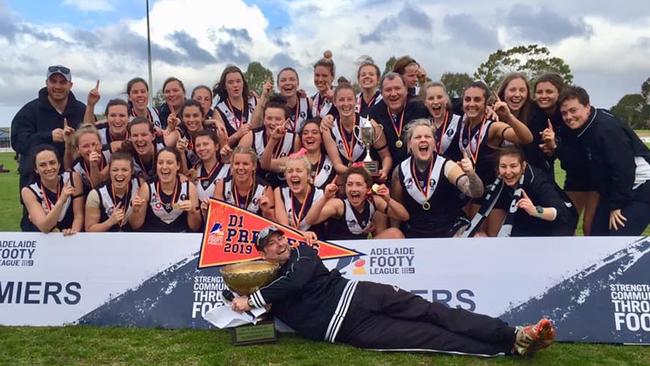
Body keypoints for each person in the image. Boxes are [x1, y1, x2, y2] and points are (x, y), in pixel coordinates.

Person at [231, 225, 556, 357]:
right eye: (270, 245)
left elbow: (296, 283)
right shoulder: (267, 287)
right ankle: (513, 347)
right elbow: (250, 317)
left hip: (360, 295)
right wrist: (240, 301)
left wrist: (255, 299)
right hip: (351, 329)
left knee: (435, 312)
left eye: (279, 238)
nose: (279, 244)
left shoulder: (304, 252)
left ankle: (513, 331)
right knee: (431, 339)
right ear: (262, 254)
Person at [559, 86, 650, 236]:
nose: (568, 116)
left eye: (573, 110)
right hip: (615, 190)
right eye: (564, 113)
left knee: (615, 237)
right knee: (596, 235)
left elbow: (624, 169)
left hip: (641, 186)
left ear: (587, 106)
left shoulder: (606, 129)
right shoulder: (584, 127)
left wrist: (616, 206)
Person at [459, 81, 533, 236]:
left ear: (487, 104)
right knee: (472, 240)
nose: (471, 104)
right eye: (468, 99)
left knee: (493, 244)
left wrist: (509, 117)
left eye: (477, 100)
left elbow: (526, 138)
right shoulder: (461, 124)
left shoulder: (493, 127)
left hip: (492, 196)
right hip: (469, 192)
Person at [391, 120, 483, 238]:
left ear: (434, 142)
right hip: (415, 230)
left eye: (428, 136)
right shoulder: (400, 171)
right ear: (409, 143)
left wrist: (471, 174)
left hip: (449, 227)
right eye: (418, 137)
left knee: (477, 237)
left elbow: (475, 192)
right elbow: (396, 209)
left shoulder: (447, 165)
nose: (423, 140)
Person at [533, 73, 598, 236]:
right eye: (539, 92)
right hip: (573, 177)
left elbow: (577, 150)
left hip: (595, 176)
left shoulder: (571, 117)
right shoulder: (536, 114)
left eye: (549, 91)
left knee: (590, 226)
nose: (543, 96)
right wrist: (551, 150)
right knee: (566, 223)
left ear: (559, 93)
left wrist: (556, 146)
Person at [464, 147, 578, 237]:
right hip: (526, 219)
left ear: (523, 166)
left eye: (513, 166)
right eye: (503, 166)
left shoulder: (537, 181)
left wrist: (535, 210)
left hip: (559, 221)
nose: (508, 172)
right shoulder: (498, 183)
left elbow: (560, 212)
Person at [12, 65, 86, 189]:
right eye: (53, 81)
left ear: (70, 85)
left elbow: (93, 139)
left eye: (63, 82)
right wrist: (48, 136)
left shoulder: (82, 110)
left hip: (75, 185)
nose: (57, 86)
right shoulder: (29, 111)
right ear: (46, 83)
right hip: (36, 185)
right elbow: (18, 142)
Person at [305, 165, 408, 240]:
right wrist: (325, 198)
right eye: (350, 184)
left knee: (395, 234)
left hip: (362, 250)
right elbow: (310, 220)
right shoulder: (339, 205)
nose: (353, 189)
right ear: (345, 188)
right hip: (340, 251)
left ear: (367, 188)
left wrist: (388, 200)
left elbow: (404, 216)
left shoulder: (374, 201)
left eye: (358, 184)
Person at [322, 83, 392, 182]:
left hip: (369, 180)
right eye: (341, 100)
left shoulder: (368, 125)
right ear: (335, 102)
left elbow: (386, 156)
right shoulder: (330, 129)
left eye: (350, 99)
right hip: (347, 181)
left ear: (356, 101)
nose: (346, 104)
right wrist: (356, 171)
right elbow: (337, 165)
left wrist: (384, 171)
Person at [130, 147, 202, 232]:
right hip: (153, 237)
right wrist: (135, 211)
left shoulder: (189, 188)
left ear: (178, 165)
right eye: (160, 163)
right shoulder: (147, 188)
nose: (164, 167)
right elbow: (135, 226)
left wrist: (192, 211)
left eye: (169, 163)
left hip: (180, 237)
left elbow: (195, 227)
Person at [368, 73, 430, 167]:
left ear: (406, 90)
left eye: (397, 88)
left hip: (417, 171)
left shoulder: (420, 109)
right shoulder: (374, 114)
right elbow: (371, 151)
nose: (393, 94)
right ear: (381, 93)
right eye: (388, 90)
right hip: (387, 173)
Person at [21, 145, 84, 234]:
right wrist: (61, 200)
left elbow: (79, 215)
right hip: (42, 238)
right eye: (42, 165)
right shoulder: (28, 191)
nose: (49, 168)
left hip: (69, 234)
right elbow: (45, 227)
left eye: (52, 162)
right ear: (36, 169)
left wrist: (74, 232)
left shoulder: (72, 178)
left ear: (59, 164)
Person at [241, 97, 299, 188]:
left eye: (278, 119)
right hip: (254, 187)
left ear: (286, 121)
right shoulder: (251, 136)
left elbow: (297, 166)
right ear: (264, 120)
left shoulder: (294, 139)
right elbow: (237, 162)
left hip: (284, 188)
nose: (273, 123)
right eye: (269, 118)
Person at [273, 152, 325, 242]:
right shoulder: (279, 192)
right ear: (285, 176)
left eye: (299, 171)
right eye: (289, 171)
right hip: (288, 243)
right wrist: (301, 234)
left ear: (308, 175)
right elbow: (283, 226)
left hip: (316, 243)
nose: (294, 174)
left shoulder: (320, 195)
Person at [213, 146, 275, 220]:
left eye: (245, 164)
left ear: (254, 166)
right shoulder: (222, 185)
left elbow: (273, 226)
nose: (240, 168)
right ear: (232, 165)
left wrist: (266, 211)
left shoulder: (264, 189)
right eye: (237, 163)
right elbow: (216, 218)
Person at [84, 152, 141, 232]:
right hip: (106, 240)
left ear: (132, 172)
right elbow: (89, 230)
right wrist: (110, 222)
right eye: (115, 170)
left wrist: (135, 211)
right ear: (109, 172)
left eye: (124, 170)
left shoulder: (139, 186)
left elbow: (137, 226)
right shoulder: (96, 194)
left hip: (132, 239)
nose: (119, 174)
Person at [212, 66, 261, 146]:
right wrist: (237, 135)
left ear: (243, 83)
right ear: (225, 86)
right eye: (230, 82)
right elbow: (221, 146)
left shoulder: (255, 102)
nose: (235, 85)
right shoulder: (219, 111)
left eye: (238, 81)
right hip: (234, 156)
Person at [420, 82, 462, 160]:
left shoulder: (460, 122)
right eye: (431, 98)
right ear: (425, 103)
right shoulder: (424, 126)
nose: (435, 102)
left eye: (439, 97)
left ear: (446, 100)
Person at [65, 124, 111, 194]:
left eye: (94, 144)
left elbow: (99, 185)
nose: (91, 149)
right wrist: (93, 165)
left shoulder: (110, 154)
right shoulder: (77, 167)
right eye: (85, 146)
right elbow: (96, 188)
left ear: (101, 144)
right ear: (78, 150)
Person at [123, 117, 167, 181]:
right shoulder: (127, 156)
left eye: (144, 135)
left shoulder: (163, 149)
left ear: (153, 136)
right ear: (130, 138)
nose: (140, 139)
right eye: (135, 135)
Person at [193, 129, 231, 202]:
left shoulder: (228, 169)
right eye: (198, 145)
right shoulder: (193, 172)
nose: (201, 148)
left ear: (216, 146)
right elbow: (182, 205)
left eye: (205, 144)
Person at [274, 67, 312, 133]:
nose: (288, 83)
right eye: (283, 80)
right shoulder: (273, 106)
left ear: (298, 83)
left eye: (292, 79)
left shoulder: (308, 103)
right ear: (278, 85)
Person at [311, 51, 336, 119]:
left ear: (332, 77)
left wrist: (335, 100)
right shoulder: (312, 100)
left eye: (324, 76)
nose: (320, 79)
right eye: (317, 75)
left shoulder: (341, 97)